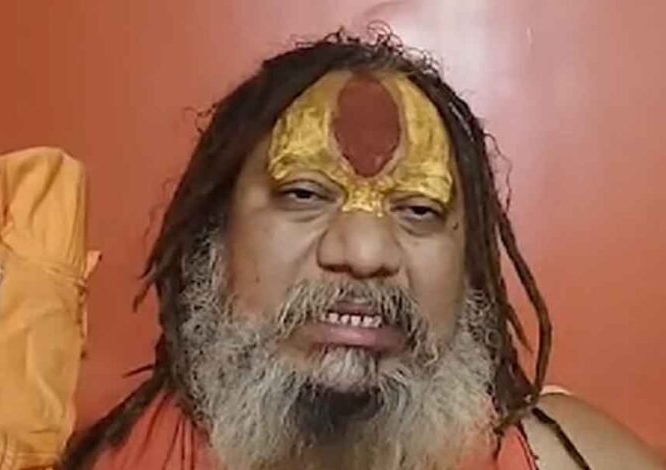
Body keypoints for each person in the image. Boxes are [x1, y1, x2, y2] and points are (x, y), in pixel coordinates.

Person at [62, 32, 665, 470]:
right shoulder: (90, 453)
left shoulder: (570, 459)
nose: (365, 250)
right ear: (212, 239)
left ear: (469, 269)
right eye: (304, 194)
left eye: (419, 209)